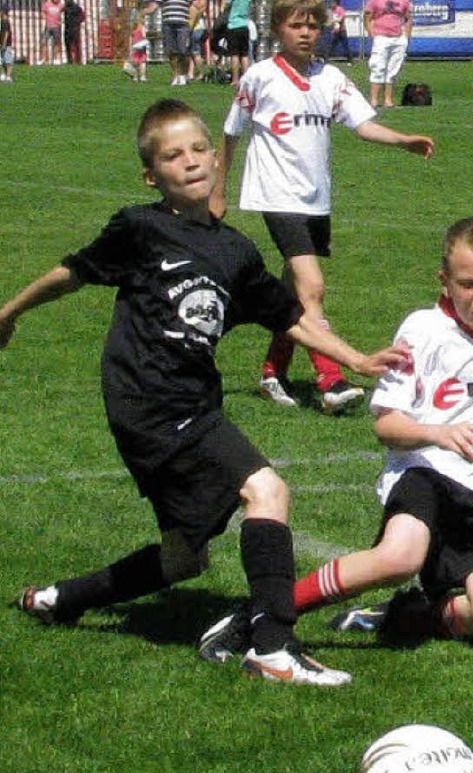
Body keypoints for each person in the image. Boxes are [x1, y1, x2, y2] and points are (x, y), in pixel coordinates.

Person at [0, 99, 406, 686]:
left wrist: (358, 359)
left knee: (183, 557)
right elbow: (74, 272)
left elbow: (291, 315)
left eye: (197, 150)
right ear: (151, 175)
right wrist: (10, 311)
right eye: (172, 156)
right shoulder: (140, 228)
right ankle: (272, 645)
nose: (190, 162)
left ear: (216, 160)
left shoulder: (235, 251)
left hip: (191, 403)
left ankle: (62, 599)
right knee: (267, 490)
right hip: (151, 402)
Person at [199, 216, 473, 662]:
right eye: (469, 283)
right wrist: (436, 433)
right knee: (399, 557)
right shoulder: (422, 331)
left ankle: (411, 614)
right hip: (423, 472)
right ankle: (263, 612)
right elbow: (386, 426)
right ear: (444, 281)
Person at [210, 0, 434, 414]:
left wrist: (402, 140)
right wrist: (218, 191)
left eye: (313, 25)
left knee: (293, 291)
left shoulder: (331, 78)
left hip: (316, 198)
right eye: (296, 25)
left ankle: (272, 373)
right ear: (279, 29)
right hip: (276, 196)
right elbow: (230, 134)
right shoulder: (259, 78)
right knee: (312, 287)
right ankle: (330, 380)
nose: (306, 32)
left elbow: (361, 124)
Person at [364, 0, 411, 109]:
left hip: (399, 38)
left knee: (393, 69)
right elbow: (367, 17)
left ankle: (388, 100)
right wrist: (372, 33)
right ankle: (374, 100)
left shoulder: (404, 1)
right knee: (377, 67)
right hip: (381, 37)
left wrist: (406, 37)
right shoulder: (374, 1)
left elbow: (408, 19)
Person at [144, 0, 191, 85]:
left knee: (183, 51)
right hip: (167, 24)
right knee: (170, 51)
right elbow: (155, 5)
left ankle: (183, 75)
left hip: (183, 24)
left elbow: (192, 6)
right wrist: (144, 11)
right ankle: (175, 75)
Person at [224, 0, 253, 89]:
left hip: (233, 25)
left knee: (234, 54)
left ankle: (235, 80)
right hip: (244, 25)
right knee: (244, 54)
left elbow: (226, 4)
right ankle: (246, 79)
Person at [326, 0, 353, 64]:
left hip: (342, 31)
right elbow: (329, 21)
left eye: (332, 2)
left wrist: (333, 21)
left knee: (345, 46)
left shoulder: (340, 9)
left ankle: (350, 60)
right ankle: (326, 59)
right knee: (331, 46)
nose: (331, 4)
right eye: (330, 3)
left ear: (335, 3)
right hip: (335, 32)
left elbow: (341, 19)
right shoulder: (331, 11)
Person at [126, 12, 149, 82]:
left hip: (134, 48)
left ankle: (135, 77)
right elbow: (144, 36)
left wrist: (130, 48)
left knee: (135, 63)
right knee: (142, 62)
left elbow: (130, 39)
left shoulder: (133, 28)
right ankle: (142, 76)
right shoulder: (142, 27)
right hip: (141, 48)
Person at [187, 0, 207, 81]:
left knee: (195, 53)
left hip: (195, 28)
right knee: (192, 52)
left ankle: (200, 73)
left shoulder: (195, 6)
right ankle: (190, 73)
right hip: (199, 28)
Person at [41, 0, 64, 65]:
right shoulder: (47, 4)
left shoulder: (61, 5)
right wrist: (44, 17)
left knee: (56, 43)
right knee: (44, 42)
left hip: (57, 26)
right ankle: (44, 59)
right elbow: (43, 12)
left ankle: (55, 59)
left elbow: (63, 12)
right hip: (48, 26)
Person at [0, 5, 14, 83]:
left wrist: (4, 44)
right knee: (4, 61)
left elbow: (6, 34)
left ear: (3, 12)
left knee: (8, 61)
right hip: (2, 44)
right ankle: (5, 75)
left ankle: (8, 77)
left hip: (6, 44)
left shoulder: (5, 21)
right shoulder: (2, 21)